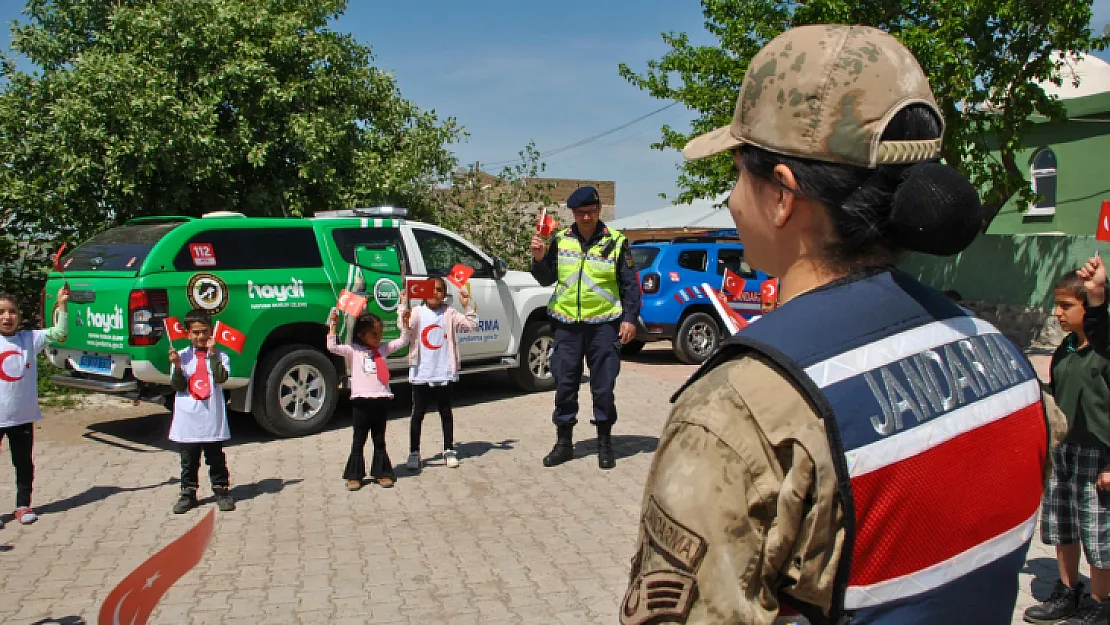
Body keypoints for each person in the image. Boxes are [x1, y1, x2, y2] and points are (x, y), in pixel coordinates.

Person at [621, 25, 1064, 625]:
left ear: (782, 195)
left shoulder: (739, 410)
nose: (729, 200)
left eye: (736, 174)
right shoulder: (1005, 365)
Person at [1023, 258, 1110, 624]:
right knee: (1062, 524)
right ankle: (1067, 590)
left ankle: (1099, 601)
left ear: (1086, 307)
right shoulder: (1065, 350)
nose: (1056, 313)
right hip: (1064, 451)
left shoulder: (1104, 350)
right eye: (1056, 304)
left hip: (1098, 454)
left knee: (1098, 530)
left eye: (1066, 305)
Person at [530, 186, 641, 469]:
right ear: (573, 214)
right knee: (565, 385)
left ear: (599, 210)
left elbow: (630, 284)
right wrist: (540, 259)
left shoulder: (616, 242)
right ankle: (564, 444)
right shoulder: (560, 240)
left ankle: (604, 443)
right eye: (581, 213)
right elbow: (546, 279)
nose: (587, 217)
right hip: (567, 326)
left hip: (604, 326)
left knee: (603, 387)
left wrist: (629, 318)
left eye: (591, 212)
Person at [0, 285, 68, 527]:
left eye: (12, 312)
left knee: (23, 463)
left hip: (22, 417)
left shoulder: (29, 339)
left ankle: (22, 505)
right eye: (1, 312)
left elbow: (60, 332)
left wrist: (61, 305)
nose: (7, 317)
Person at [327, 308, 410, 490]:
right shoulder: (354, 351)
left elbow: (403, 341)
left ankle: (382, 472)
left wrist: (404, 322)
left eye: (380, 333)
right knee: (359, 438)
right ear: (361, 334)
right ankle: (355, 475)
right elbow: (332, 347)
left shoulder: (383, 349)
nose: (378, 337)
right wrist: (333, 324)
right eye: (374, 334)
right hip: (361, 401)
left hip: (380, 399)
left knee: (379, 438)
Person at [405, 276, 477, 472]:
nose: (434, 293)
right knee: (418, 413)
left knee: (445, 412)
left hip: (444, 370)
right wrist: (402, 307)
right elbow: (405, 329)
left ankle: (448, 449)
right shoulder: (418, 312)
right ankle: (414, 452)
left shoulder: (450, 313)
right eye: (430, 289)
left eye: (439, 290)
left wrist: (467, 305)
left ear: (445, 294)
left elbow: (471, 326)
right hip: (422, 371)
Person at [168, 308, 235, 514]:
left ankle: (221, 490)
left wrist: (213, 355)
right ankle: (188, 492)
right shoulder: (181, 356)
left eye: (204, 331)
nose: (200, 337)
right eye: (195, 333)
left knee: (215, 457)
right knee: (188, 459)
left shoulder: (220, 356)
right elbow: (178, 386)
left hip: (210, 417)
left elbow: (221, 378)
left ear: (210, 332)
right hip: (188, 418)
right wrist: (178, 367)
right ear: (188, 334)